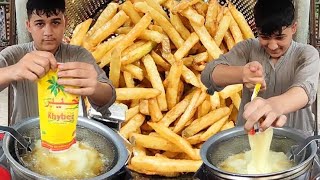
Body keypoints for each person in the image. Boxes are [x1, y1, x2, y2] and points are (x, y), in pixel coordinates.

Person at [201, 0, 320, 136]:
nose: (272, 46)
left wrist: (274, 105)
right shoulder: (248, 48)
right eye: (264, 37)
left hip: (296, 139)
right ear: (257, 30)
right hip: (250, 136)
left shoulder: (306, 54)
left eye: (280, 37)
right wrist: (242, 74)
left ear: (294, 28)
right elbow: (208, 75)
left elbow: (305, 91)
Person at [0, 0, 116, 125]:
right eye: (40, 24)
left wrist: (95, 87)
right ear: (28, 26)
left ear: (65, 22)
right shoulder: (15, 54)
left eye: (55, 22)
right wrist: (13, 70)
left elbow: (108, 99)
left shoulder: (79, 55)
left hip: (69, 137)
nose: (48, 32)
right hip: (24, 138)